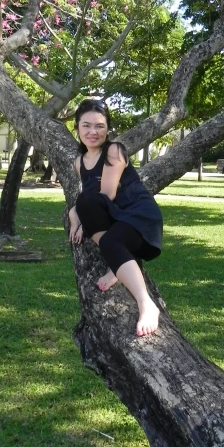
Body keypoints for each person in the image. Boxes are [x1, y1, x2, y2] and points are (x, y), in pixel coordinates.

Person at [68, 99, 163, 336]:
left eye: (99, 126)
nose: (93, 132)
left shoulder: (114, 150)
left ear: (107, 129)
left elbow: (106, 195)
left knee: (91, 211)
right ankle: (117, 264)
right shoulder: (79, 162)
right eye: (86, 125)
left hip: (139, 216)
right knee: (98, 224)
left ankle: (146, 304)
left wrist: (82, 216)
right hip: (115, 217)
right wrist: (76, 215)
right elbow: (87, 196)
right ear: (77, 128)